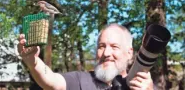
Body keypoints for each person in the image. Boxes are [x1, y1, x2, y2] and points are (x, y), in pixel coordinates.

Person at [17, 23, 154, 90]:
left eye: (114, 47)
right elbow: (51, 80)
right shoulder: (80, 80)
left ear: (129, 53)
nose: (106, 53)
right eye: (101, 46)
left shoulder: (143, 86)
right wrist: (33, 62)